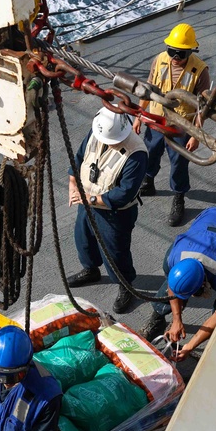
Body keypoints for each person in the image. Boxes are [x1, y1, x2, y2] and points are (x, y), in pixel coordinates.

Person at [142, 206, 216, 361]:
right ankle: (157, 320)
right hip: (211, 215)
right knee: (176, 284)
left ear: (204, 281)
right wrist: (177, 320)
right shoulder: (172, 259)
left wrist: (190, 346)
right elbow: (173, 286)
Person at [65, 106, 148, 314]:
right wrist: (73, 184)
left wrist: (90, 198)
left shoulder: (136, 154)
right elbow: (79, 158)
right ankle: (90, 269)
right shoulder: (98, 131)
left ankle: (125, 285)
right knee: (83, 239)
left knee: (115, 252)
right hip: (87, 202)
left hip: (115, 214)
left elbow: (124, 194)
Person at [132, 23, 212, 227]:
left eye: (181, 53)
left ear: (191, 51)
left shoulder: (200, 71)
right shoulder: (159, 60)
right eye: (172, 51)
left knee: (179, 163)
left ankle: (179, 197)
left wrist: (195, 135)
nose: (175, 57)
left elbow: (202, 107)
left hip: (181, 126)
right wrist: (140, 115)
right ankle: (148, 181)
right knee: (150, 152)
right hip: (156, 118)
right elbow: (147, 88)